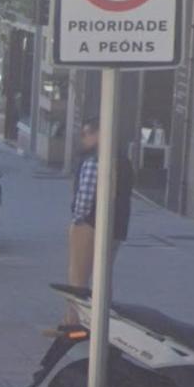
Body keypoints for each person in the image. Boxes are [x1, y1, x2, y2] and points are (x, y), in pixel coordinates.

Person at [65, 117, 133, 325]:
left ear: (99, 134)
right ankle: (100, 321)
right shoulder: (122, 159)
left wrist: (78, 220)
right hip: (117, 227)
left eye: (87, 134)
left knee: (78, 277)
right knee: (103, 277)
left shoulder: (95, 160)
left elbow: (85, 197)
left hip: (89, 225)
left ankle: (73, 322)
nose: (83, 138)